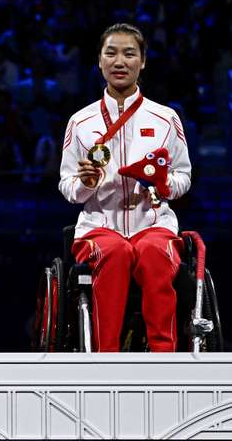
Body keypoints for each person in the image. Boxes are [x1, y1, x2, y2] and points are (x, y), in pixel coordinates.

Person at [59, 23, 192, 352]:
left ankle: (164, 357)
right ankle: (107, 359)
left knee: (154, 253)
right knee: (115, 253)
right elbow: (67, 185)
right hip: (99, 226)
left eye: (129, 53)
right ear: (100, 62)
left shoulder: (165, 119)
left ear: (143, 61)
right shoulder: (81, 122)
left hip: (154, 224)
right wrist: (86, 184)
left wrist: (163, 182)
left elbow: (183, 178)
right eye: (111, 53)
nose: (120, 61)